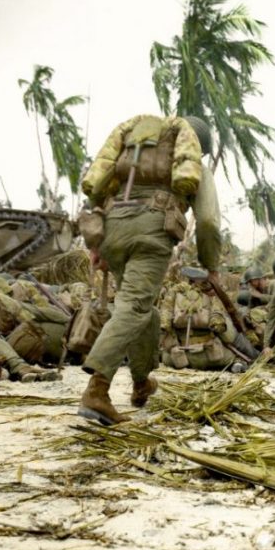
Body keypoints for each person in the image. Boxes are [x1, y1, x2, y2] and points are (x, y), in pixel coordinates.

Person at [77, 114, 221, 425]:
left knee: (144, 309)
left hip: (112, 231)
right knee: (133, 307)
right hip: (151, 232)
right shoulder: (191, 164)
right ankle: (97, 391)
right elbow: (208, 221)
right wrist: (212, 267)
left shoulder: (136, 153)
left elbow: (102, 194)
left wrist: (98, 247)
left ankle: (141, 382)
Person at [159, 267, 259, 372]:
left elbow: (164, 322)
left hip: (179, 358)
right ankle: (247, 358)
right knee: (230, 335)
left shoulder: (174, 293)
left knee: (165, 353)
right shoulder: (210, 297)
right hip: (210, 356)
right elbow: (224, 332)